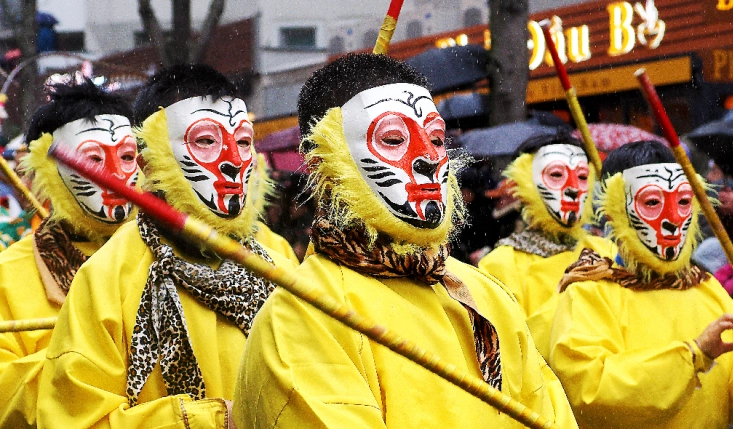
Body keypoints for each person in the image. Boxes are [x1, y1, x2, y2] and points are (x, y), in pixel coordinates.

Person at [233, 53, 577, 428]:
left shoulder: (486, 295)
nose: (429, 158)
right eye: (394, 139)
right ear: (324, 165)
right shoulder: (303, 315)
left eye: (435, 138)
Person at [37, 64, 294, 428]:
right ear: (151, 162)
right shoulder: (106, 277)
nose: (234, 163)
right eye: (205, 140)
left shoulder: (278, 257)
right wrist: (216, 420)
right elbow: (75, 420)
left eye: (243, 142)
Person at [548, 140, 733, 428]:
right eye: (652, 202)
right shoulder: (589, 293)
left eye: (683, 202)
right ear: (614, 211)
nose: (674, 219)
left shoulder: (704, 287)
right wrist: (693, 355)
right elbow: (591, 395)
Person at [0, 80, 137, 427]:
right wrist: (89, 371)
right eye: (93, 159)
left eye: (127, 156)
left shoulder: (175, 259)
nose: (116, 175)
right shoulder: (7, 274)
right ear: (47, 165)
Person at [477, 133, 616, 357]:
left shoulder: (608, 251)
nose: (573, 188)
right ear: (524, 181)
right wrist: (571, 291)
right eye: (556, 175)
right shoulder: (499, 265)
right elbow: (510, 349)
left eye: (582, 177)